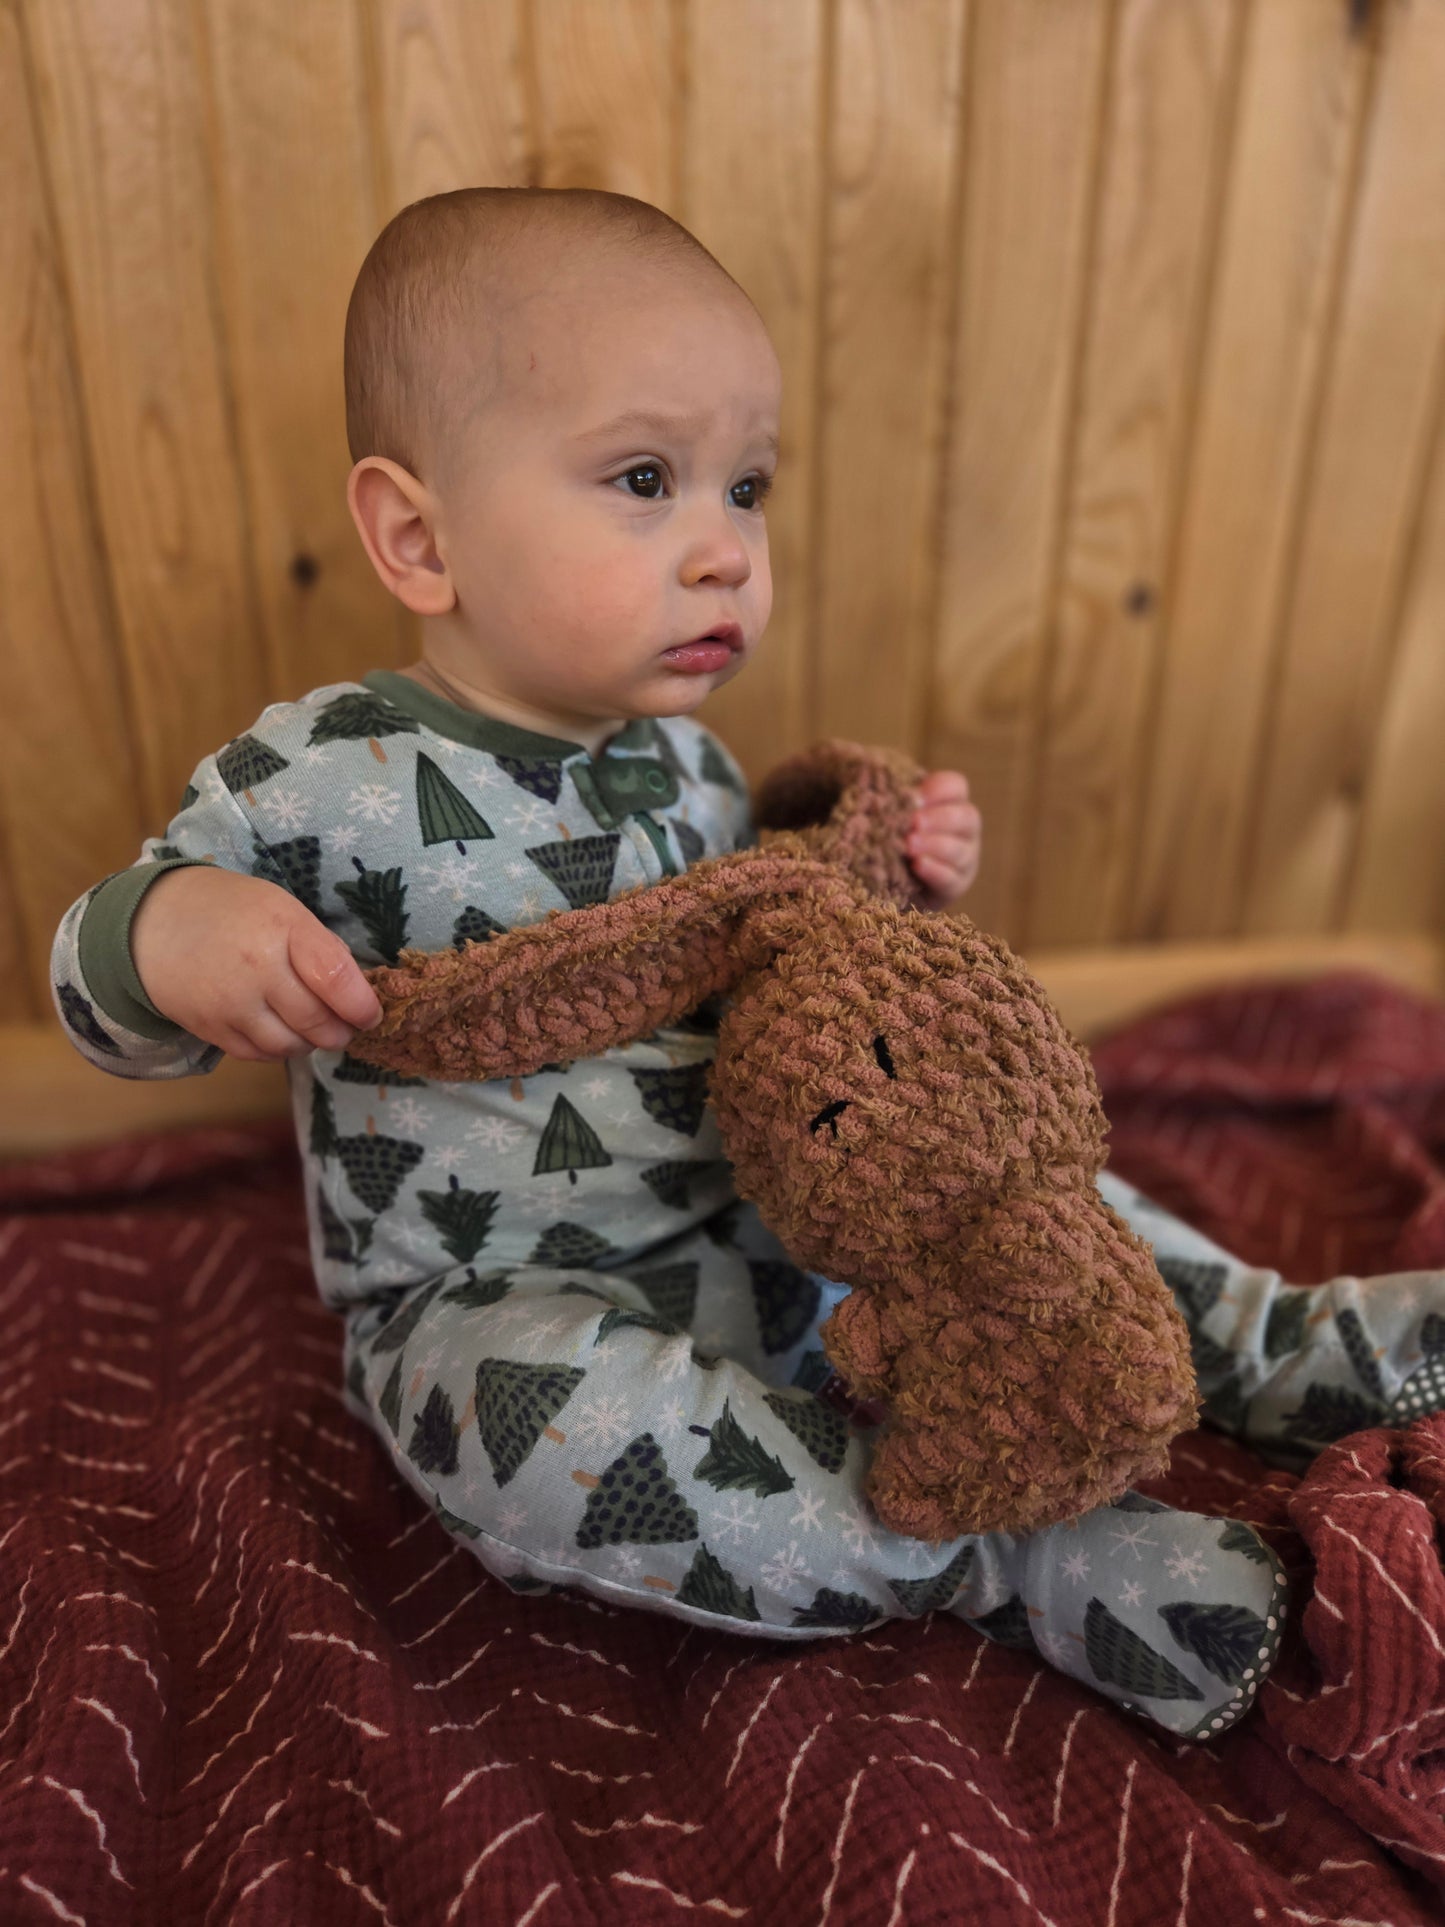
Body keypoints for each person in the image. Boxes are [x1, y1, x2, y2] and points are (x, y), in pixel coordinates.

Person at [51, 185, 1326, 1741]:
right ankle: (1004, 1550)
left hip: (776, 1224)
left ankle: (1270, 1341)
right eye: (645, 480)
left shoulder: (697, 774)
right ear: (418, 535)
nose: (723, 547)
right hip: (502, 1296)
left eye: (749, 486)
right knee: (542, 1445)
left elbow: (807, 1014)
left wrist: (894, 892)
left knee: (1016, 1190)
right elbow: (100, 991)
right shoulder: (325, 778)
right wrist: (170, 934)